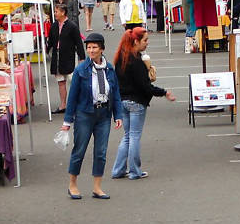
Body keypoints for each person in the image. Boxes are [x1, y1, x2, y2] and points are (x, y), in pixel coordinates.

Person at [61, 33, 123, 199]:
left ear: (102, 49)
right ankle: (72, 184)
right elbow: (72, 96)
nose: (91, 50)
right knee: (79, 150)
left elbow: (115, 93)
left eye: (95, 47)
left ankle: (97, 187)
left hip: (104, 114)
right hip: (85, 114)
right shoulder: (81, 69)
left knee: (101, 152)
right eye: (88, 47)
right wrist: (67, 120)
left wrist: (118, 115)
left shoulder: (109, 68)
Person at [111, 28, 175, 180]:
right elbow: (145, 86)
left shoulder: (120, 58)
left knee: (127, 136)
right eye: (145, 40)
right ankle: (134, 171)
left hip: (122, 101)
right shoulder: (137, 61)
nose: (147, 43)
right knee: (133, 136)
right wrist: (164, 92)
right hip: (137, 102)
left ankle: (118, 170)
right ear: (136, 41)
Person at [47, 4, 85, 114]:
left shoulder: (72, 26)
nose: (55, 14)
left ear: (63, 12)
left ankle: (77, 104)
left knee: (74, 81)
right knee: (60, 82)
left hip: (69, 57)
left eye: (56, 11)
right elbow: (51, 41)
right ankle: (63, 104)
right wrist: (46, 49)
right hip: (57, 57)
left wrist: (82, 58)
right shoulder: (54, 26)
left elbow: (79, 43)